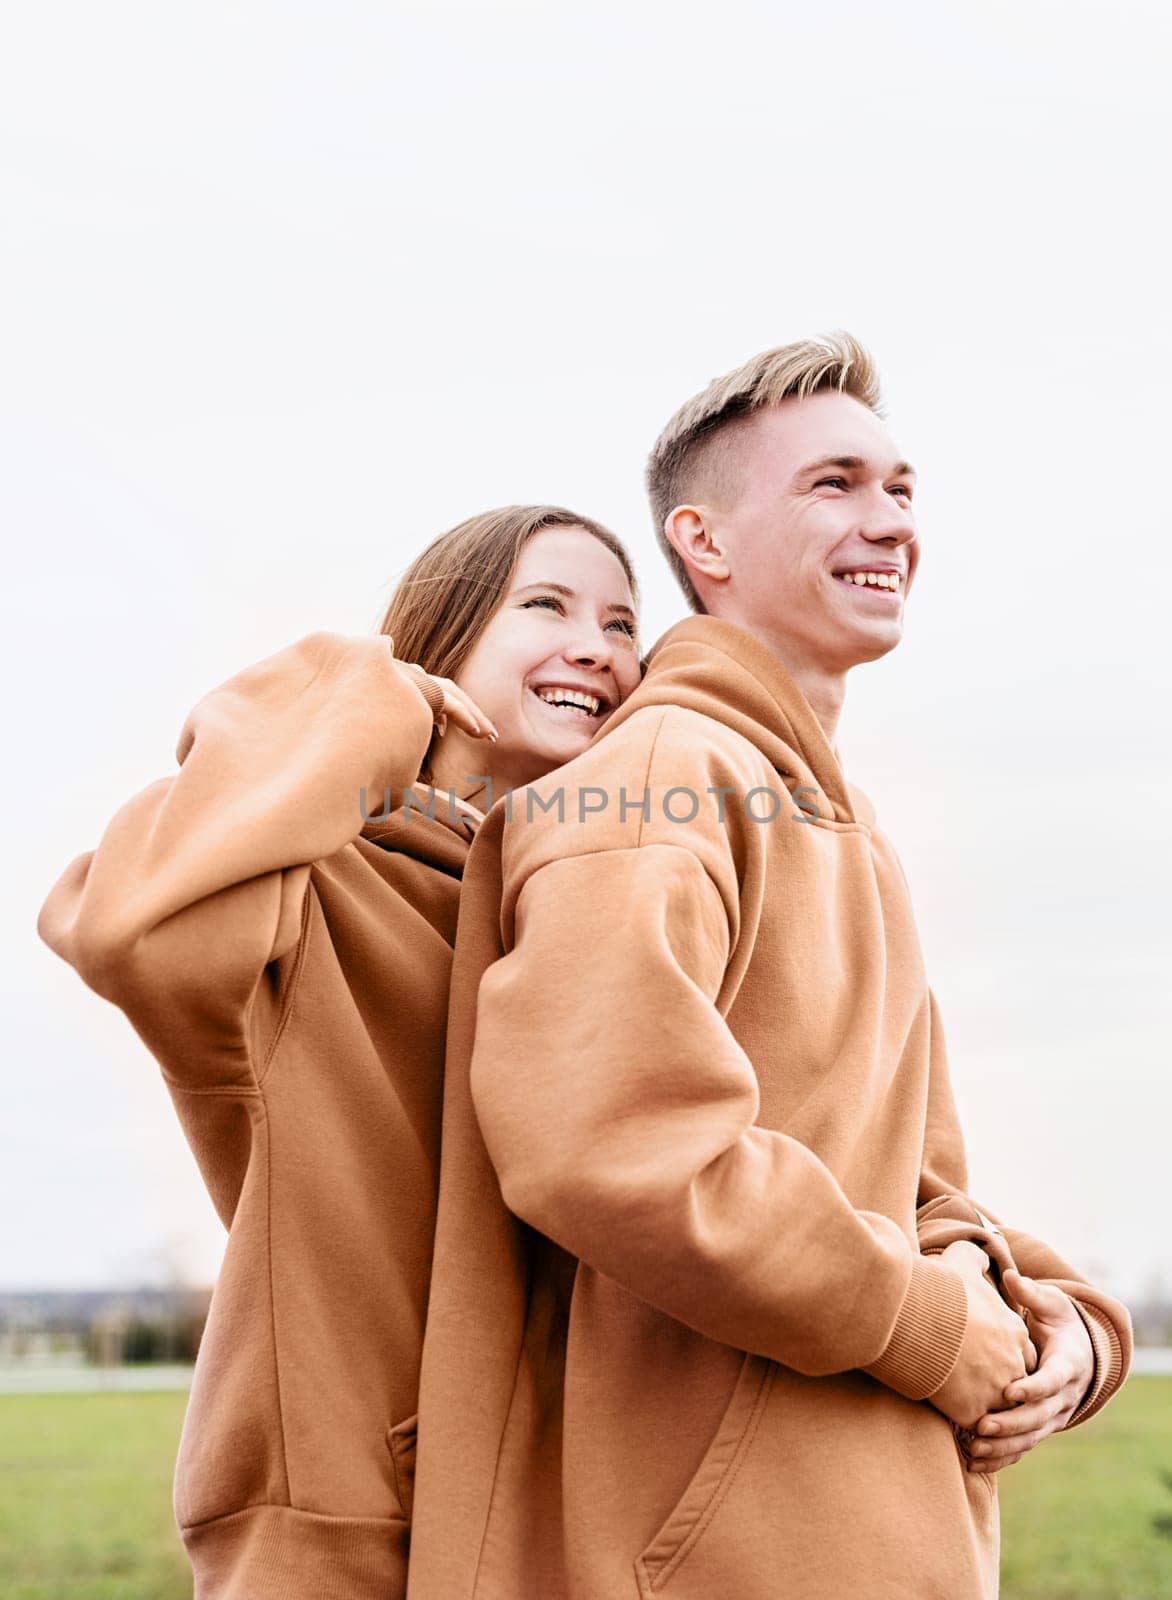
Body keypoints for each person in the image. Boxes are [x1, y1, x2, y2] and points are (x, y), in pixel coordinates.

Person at [403, 338, 1133, 1599]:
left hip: (873, 1529)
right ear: (705, 541)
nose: (887, 520)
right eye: (834, 484)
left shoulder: (838, 823)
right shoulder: (652, 781)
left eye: (900, 487)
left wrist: (1063, 1322)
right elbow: (612, 1145)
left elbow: (910, 1184)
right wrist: (931, 1329)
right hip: (726, 1556)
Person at [36, 504, 642, 1600]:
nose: (596, 644)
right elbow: (128, 928)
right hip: (345, 1537)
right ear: (444, 640)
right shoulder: (314, 882)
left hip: (563, 1529)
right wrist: (355, 694)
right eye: (544, 604)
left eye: (620, 621)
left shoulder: (601, 921)